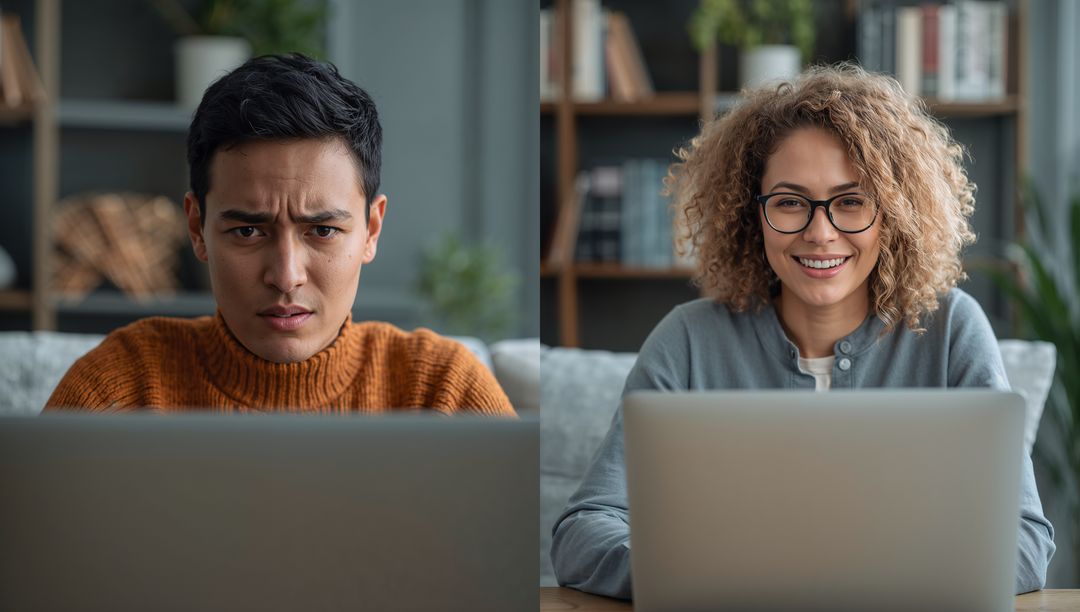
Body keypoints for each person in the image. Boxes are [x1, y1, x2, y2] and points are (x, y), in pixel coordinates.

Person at [550, 63, 1054, 597]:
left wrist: (860, 584)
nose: (820, 233)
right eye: (790, 202)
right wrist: (699, 581)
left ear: (895, 214)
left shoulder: (952, 328)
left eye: (851, 202)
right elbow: (583, 533)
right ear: (753, 214)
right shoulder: (689, 342)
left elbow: (1025, 542)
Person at [46, 54, 513, 415]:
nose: (286, 276)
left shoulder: (443, 394)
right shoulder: (121, 386)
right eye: (248, 229)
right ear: (197, 228)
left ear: (371, 229)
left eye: (324, 230)